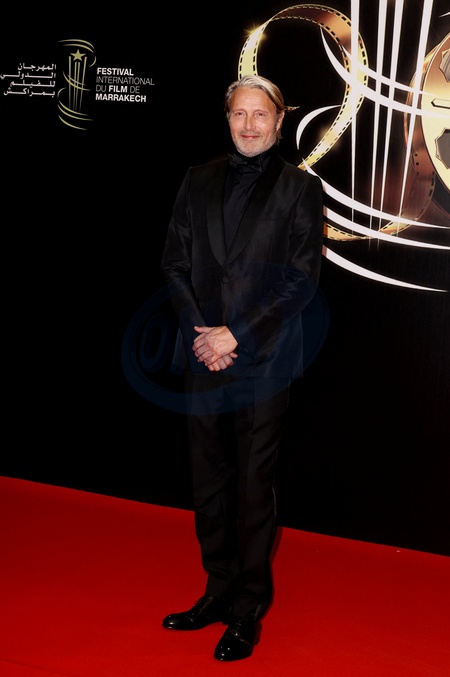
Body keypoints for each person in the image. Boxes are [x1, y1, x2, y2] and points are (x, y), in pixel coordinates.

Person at [160, 74, 324, 661]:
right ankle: (217, 590)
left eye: (260, 115)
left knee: (255, 485)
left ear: (279, 120)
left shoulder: (300, 189)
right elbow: (174, 264)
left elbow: (301, 279)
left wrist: (238, 334)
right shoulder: (197, 179)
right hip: (202, 352)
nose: (249, 125)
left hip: (265, 358)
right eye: (239, 114)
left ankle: (248, 607)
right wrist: (203, 335)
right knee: (207, 479)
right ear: (227, 118)